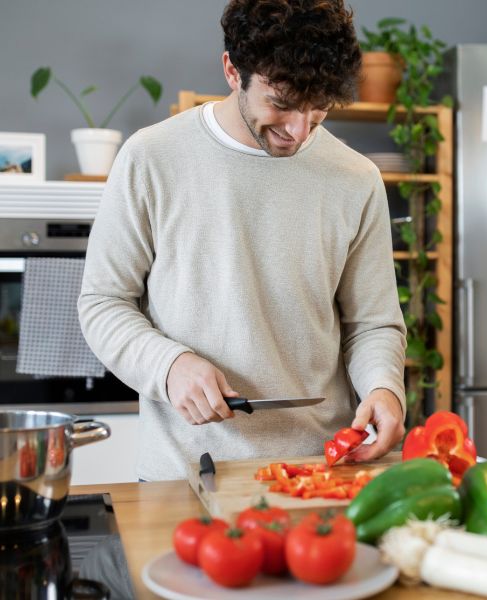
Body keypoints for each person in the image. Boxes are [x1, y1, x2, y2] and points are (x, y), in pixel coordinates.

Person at [78, 0, 406, 481]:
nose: (298, 131)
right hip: (184, 472)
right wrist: (170, 367)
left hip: (317, 467)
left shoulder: (356, 178)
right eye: (281, 103)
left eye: (318, 110)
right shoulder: (151, 158)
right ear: (232, 70)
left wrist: (383, 388)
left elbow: (373, 323)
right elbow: (103, 302)